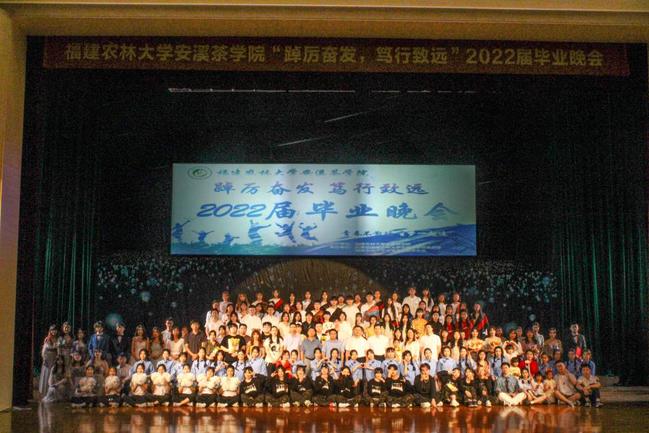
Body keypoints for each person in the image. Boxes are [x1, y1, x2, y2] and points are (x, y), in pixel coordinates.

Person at [40, 325, 60, 398]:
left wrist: (58, 357)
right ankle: (45, 392)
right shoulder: (47, 339)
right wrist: (44, 358)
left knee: (53, 373)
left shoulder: (58, 339)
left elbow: (58, 350)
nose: (53, 331)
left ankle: (52, 393)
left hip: (54, 357)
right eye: (52, 330)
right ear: (50, 331)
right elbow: (43, 350)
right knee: (47, 373)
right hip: (48, 357)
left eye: (55, 330)